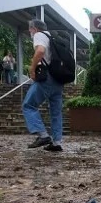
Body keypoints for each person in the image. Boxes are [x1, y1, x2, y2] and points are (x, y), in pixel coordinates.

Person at [23, 19, 64, 152]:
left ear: (34, 28)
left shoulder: (39, 35)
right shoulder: (53, 38)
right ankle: (56, 142)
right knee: (56, 112)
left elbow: (40, 51)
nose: (30, 32)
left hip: (46, 78)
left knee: (28, 105)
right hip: (58, 79)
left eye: (30, 29)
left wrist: (32, 68)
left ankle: (43, 135)